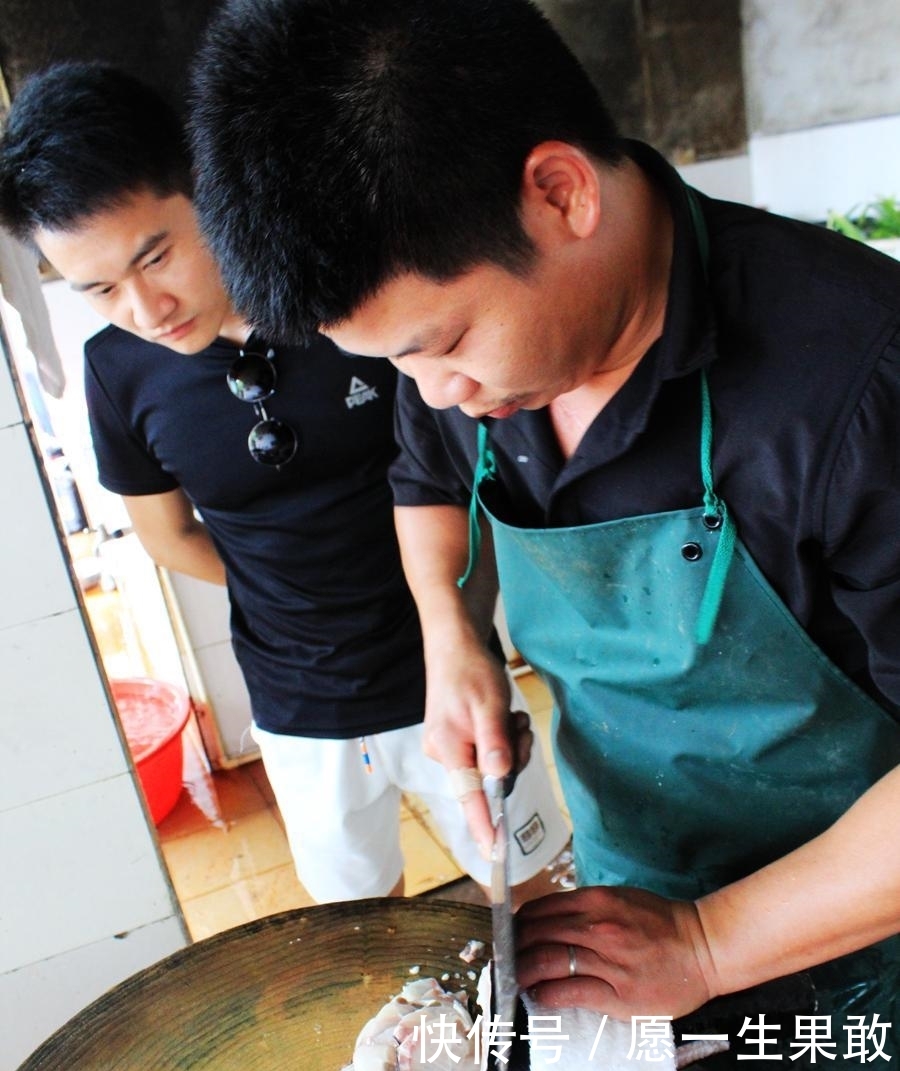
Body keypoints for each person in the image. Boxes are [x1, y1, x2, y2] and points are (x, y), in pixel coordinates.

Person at [188, 0, 900, 1059]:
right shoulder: (456, 377)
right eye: (397, 368)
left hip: (854, 949)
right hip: (637, 886)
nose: (436, 391)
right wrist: (452, 636)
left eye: (447, 343)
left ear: (561, 192)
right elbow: (425, 481)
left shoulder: (855, 378)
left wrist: (707, 945)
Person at [0, 61, 571, 907]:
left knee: (540, 893)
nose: (145, 309)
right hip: (297, 708)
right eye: (99, 290)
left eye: (155, 256)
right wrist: (289, 588)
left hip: (444, 663)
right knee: (357, 932)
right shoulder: (117, 371)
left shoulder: (348, 291)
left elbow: (469, 457)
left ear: (203, 185)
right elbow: (166, 535)